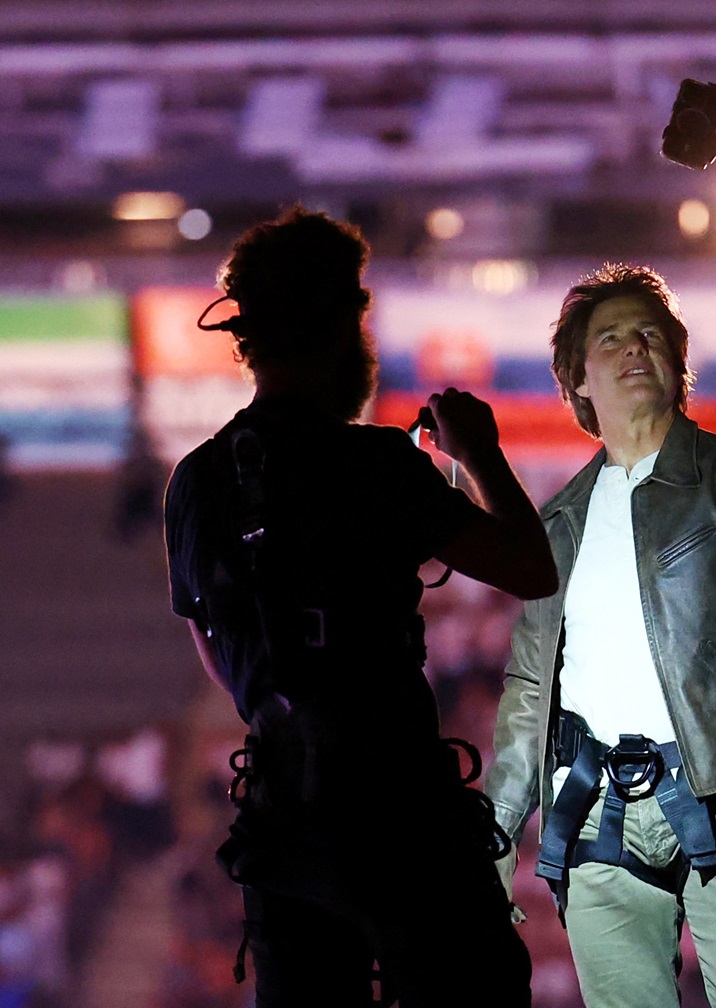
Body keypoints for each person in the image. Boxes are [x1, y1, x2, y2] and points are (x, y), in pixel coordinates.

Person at [163, 207, 555, 1007]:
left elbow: (219, 653)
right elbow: (530, 568)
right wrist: (478, 452)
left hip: (283, 824)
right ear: (344, 325)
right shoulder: (377, 464)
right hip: (403, 816)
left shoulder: (196, 481)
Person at [485, 263, 716, 1008]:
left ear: (677, 362)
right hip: (593, 816)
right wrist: (495, 838)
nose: (634, 347)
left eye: (650, 334)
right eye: (611, 338)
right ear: (578, 378)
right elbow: (530, 691)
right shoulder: (557, 524)